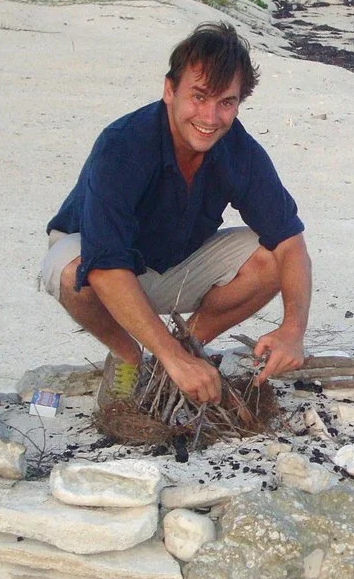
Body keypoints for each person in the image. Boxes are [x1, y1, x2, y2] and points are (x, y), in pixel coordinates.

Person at [42, 22, 312, 406]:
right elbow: (104, 264)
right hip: (100, 267)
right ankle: (129, 355)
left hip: (175, 262)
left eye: (226, 102)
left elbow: (290, 243)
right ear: (170, 90)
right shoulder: (123, 145)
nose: (211, 117)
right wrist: (168, 356)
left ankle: (190, 346)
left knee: (270, 255)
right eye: (199, 96)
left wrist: (293, 330)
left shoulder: (239, 150)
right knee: (74, 272)